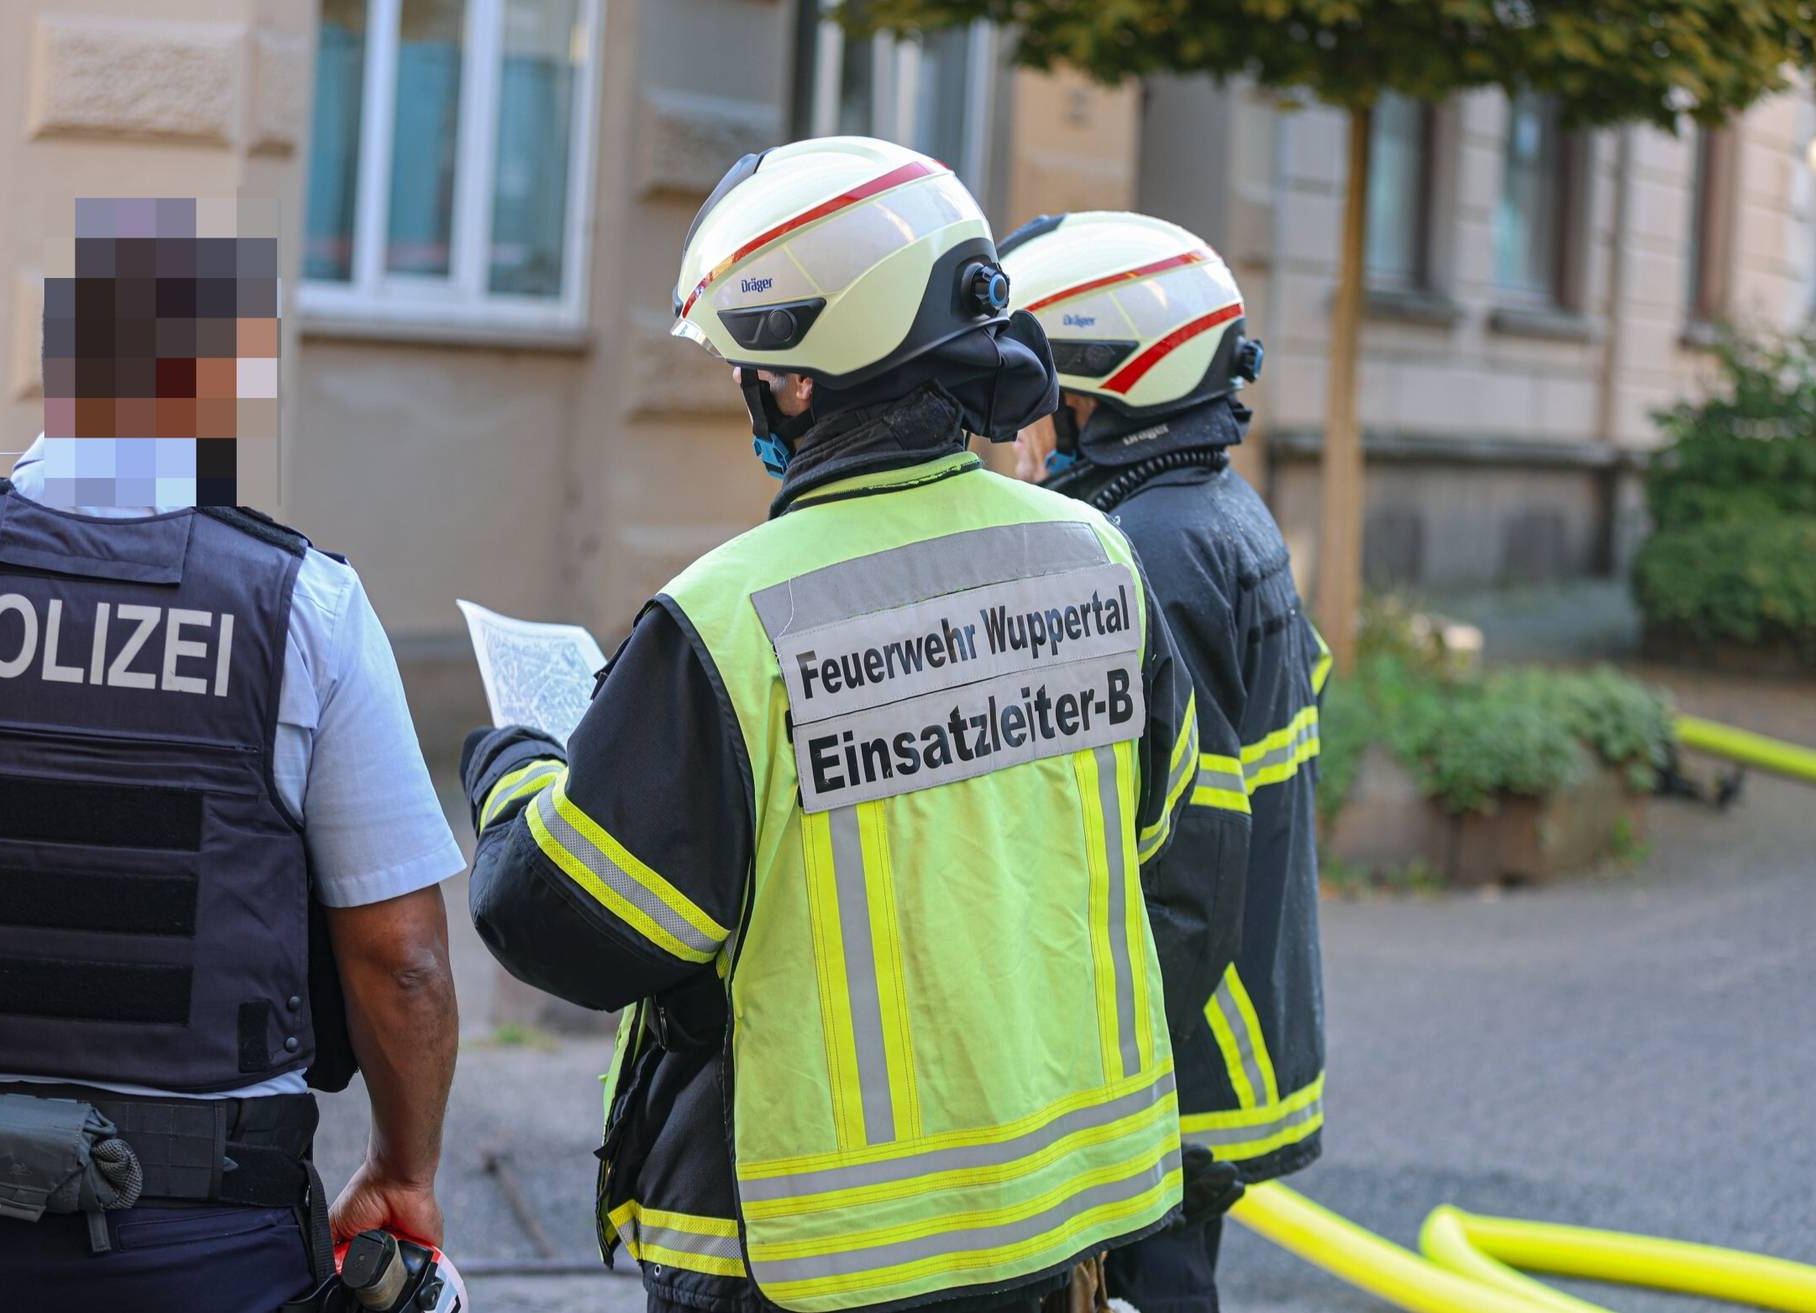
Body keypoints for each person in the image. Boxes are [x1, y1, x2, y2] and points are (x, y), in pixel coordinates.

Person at [462, 136, 1214, 1313]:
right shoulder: (1098, 558)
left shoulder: (728, 616)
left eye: (746, 365)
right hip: (1052, 1220)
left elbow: (574, 928)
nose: (745, 388)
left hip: (813, 1256)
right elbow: (1152, 825)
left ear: (799, 380)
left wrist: (517, 772)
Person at [0, 209, 462, 1312]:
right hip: (211, 1250)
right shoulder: (304, 607)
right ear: (220, 387)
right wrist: (402, 1171)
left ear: (63, 367)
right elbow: (400, 958)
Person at [998, 211, 1333, 1313]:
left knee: (1154, 1286)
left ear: (1100, 386)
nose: (1017, 419)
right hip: (1226, 1013)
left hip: (1181, 1044)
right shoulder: (1211, 511)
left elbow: (1180, 842)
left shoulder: (1151, 547)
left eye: (1036, 386)